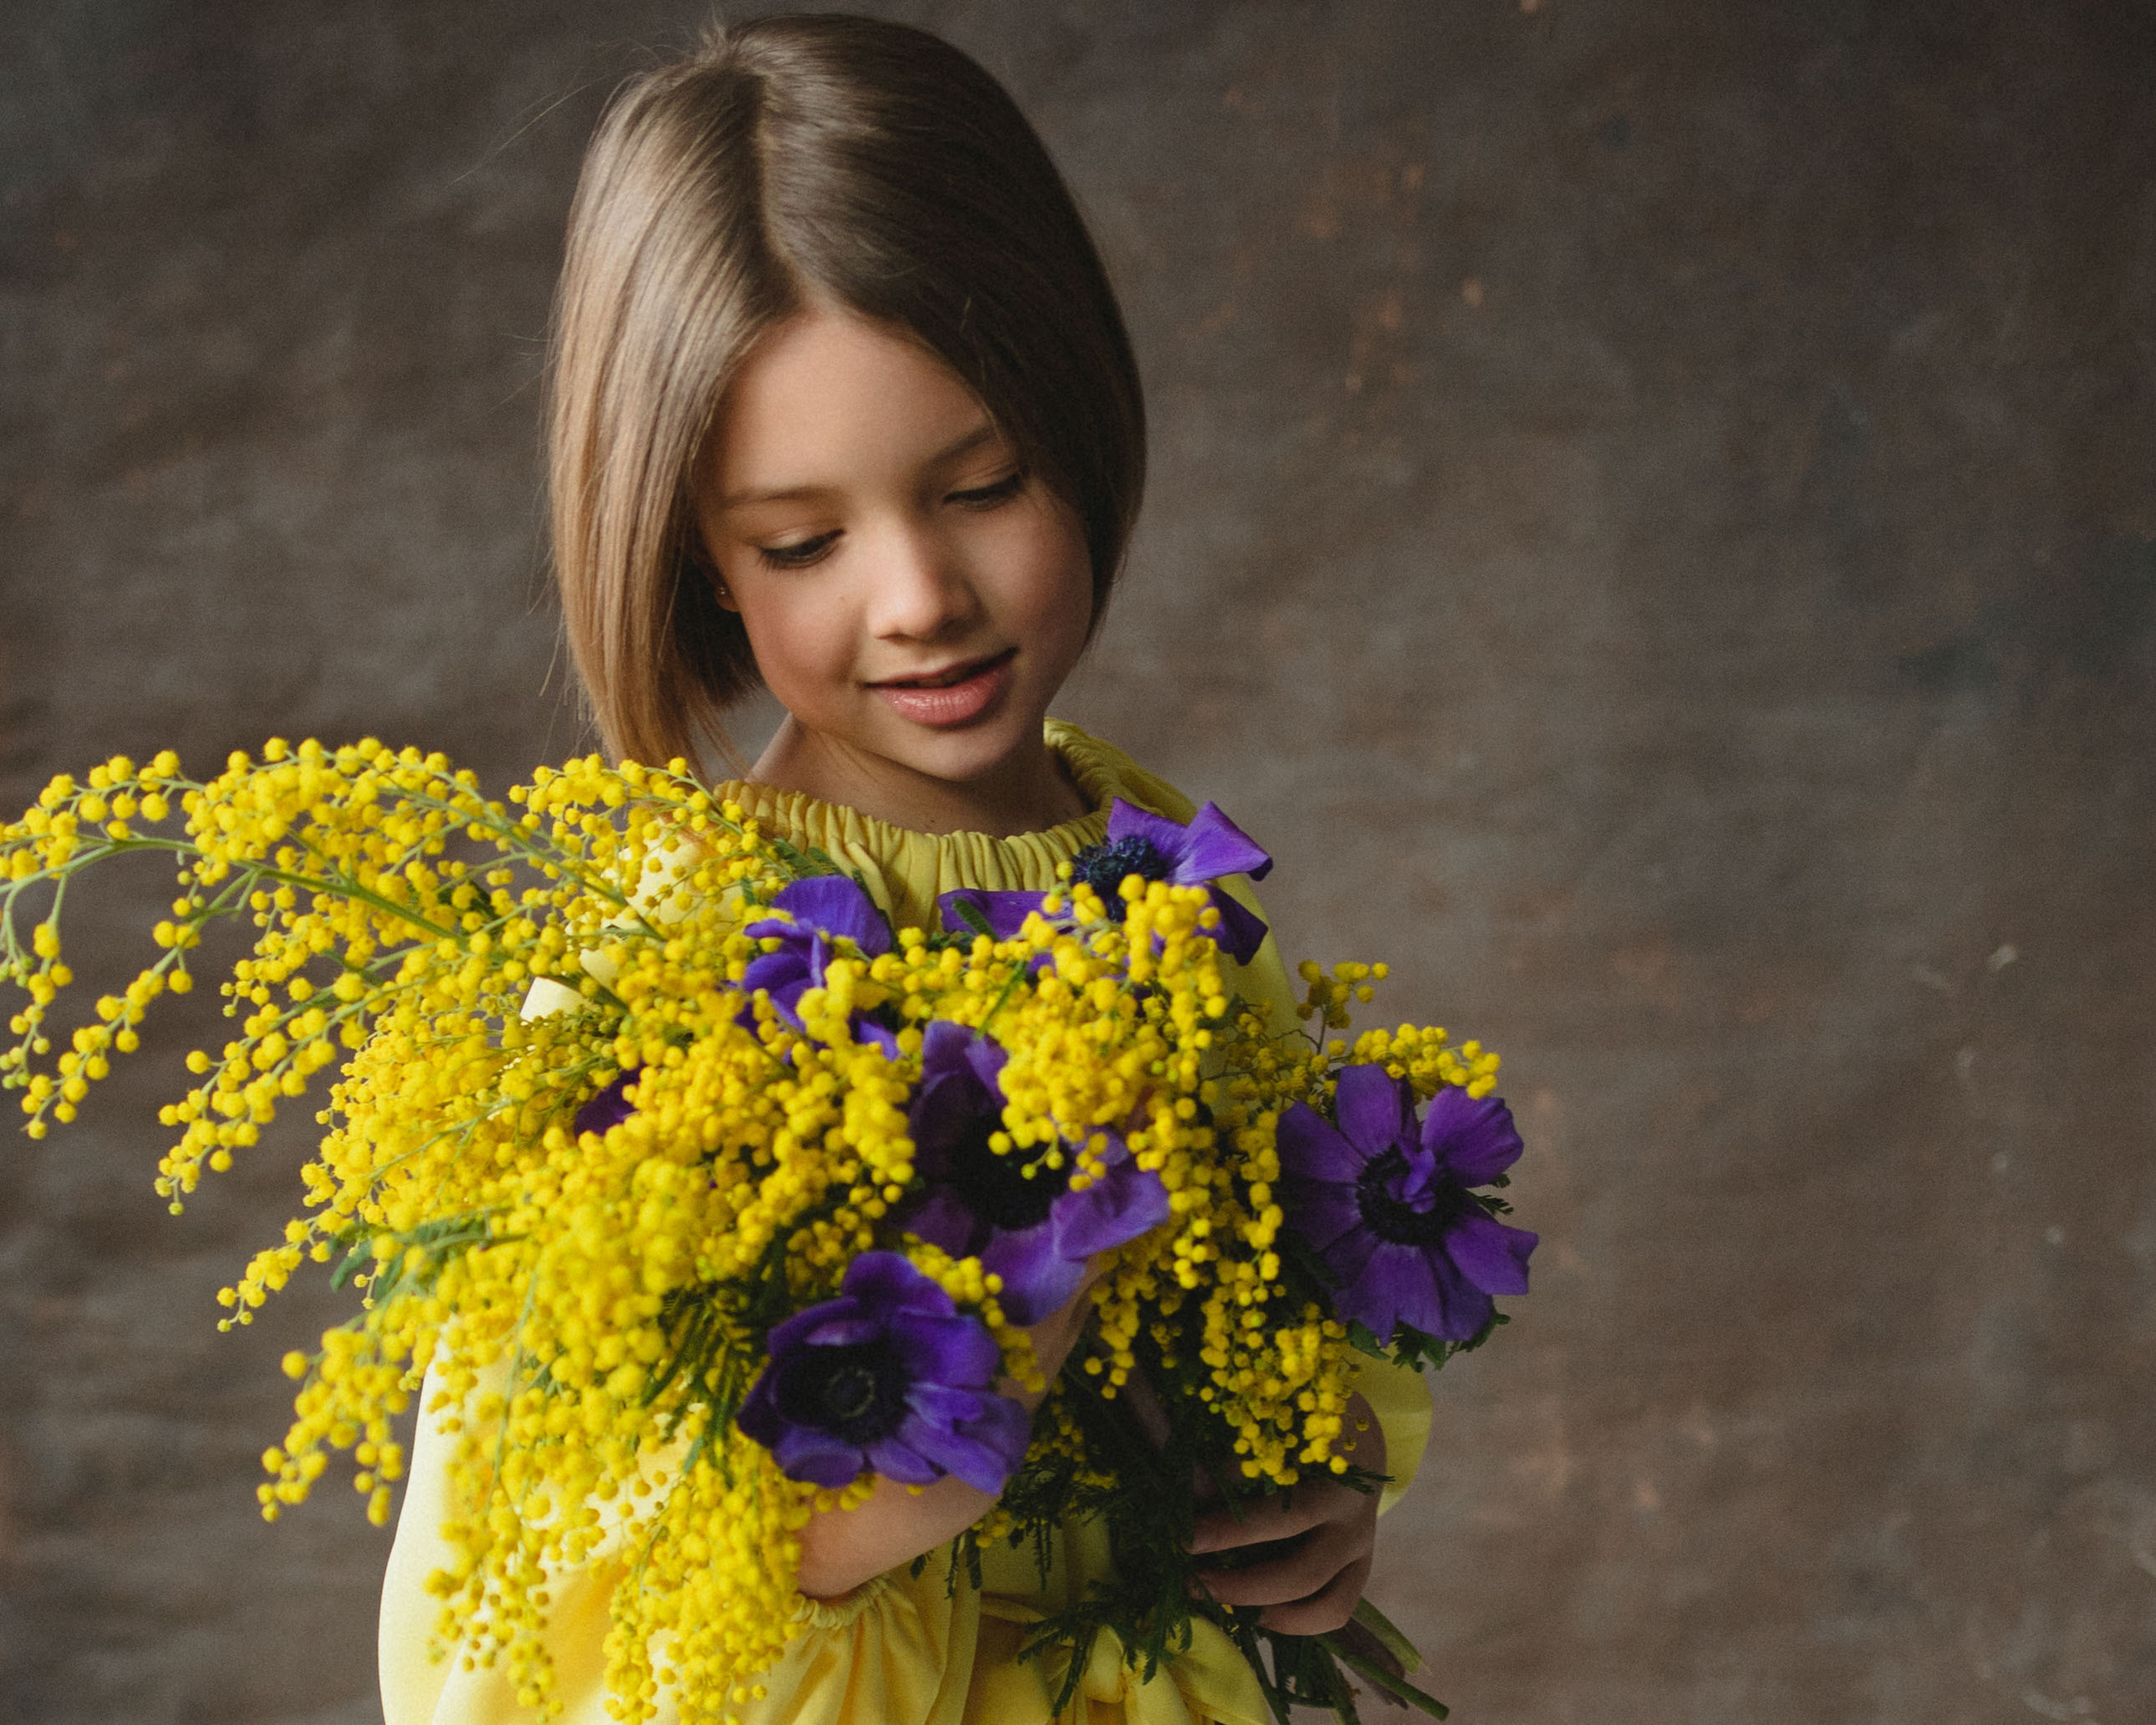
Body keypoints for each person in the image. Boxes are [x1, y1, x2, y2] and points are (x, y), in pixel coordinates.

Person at [380, 16, 1431, 1724]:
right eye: (803, 542)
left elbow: (1265, 1340)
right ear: (698, 558)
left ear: (1080, 427)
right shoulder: (673, 966)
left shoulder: (1158, 868)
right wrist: (890, 1495)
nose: (920, 597)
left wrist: (1318, 1501)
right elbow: (541, 1601)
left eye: (982, 485)